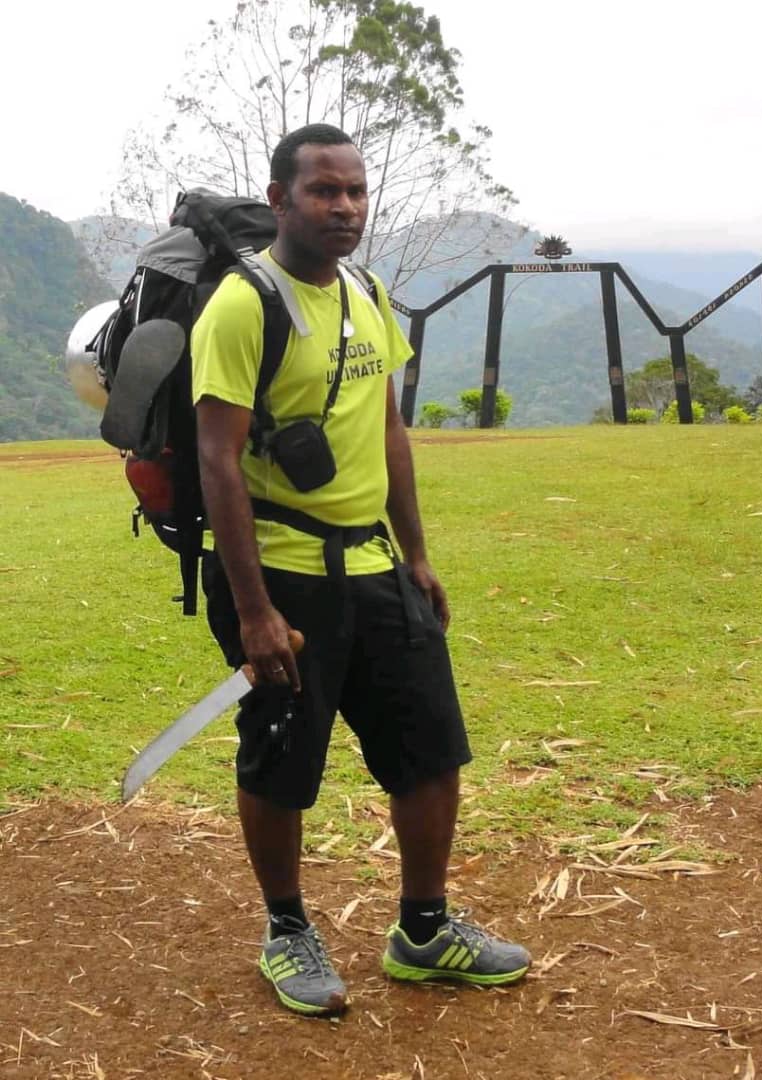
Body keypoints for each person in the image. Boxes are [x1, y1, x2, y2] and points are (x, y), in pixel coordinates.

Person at [191, 122, 530, 1016]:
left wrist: (416, 553)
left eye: (354, 191)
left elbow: (386, 432)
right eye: (323, 191)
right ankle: (286, 929)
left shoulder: (368, 292)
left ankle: (422, 929)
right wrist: (255, 612)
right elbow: (217, 462)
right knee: (279, 759)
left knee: (430, 750)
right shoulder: (241, 305)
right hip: (282, 572)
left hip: (375, 567)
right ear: (280, 201)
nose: (344, 208)